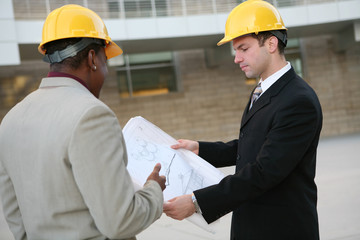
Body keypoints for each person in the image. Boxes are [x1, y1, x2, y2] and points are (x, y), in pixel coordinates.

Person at [0, 4, 166, 240]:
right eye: (105, 60)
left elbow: (16, 220)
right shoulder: (92, 115)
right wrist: (154, 190)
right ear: (92, 58)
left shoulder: (10, 120)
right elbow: (120, 221)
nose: (106, 72)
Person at [163, 0, 323, 239]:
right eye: (235, 50)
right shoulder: (264, 89)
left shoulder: (298, 101)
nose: (237, 58)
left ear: (271, 43)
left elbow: (264, 171)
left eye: (243, 49)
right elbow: (252, 146)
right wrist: (199, 149)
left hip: (281, 229)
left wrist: (197, 201)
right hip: (252, 224)